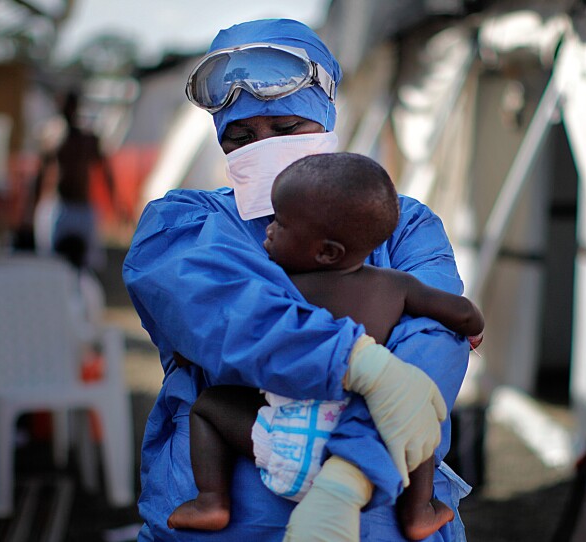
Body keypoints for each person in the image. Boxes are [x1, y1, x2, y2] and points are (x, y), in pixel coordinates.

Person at [123, 18, 472, 541]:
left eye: (286, 128)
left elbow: (435, 349)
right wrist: (364, 365)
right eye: (240, 136)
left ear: (327, 116)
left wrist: (347, 474)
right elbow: (231, 323)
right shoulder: (179, 225)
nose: (262, 146)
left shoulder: (404, 223)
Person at [167, 152, 484, 540]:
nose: (267, 230)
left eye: (280, 223)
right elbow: (462, 312)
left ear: (327, 251)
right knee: (417, 417)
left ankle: (212, 499)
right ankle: (418, 510)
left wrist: (188, 349)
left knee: (209, 407)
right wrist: (471, 328)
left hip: (283, 443)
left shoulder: (276, 288)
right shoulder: (396, 286)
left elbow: (227, 332)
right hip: (368, 457)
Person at [33, 90, 117, 270]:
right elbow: (40, 174)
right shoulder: (54, 138)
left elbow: (105, 171)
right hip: (60, 205)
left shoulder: (87, 140)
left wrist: (115, 203)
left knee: (86, 263)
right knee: (52, 261)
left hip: (82, 206)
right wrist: (33, 206)